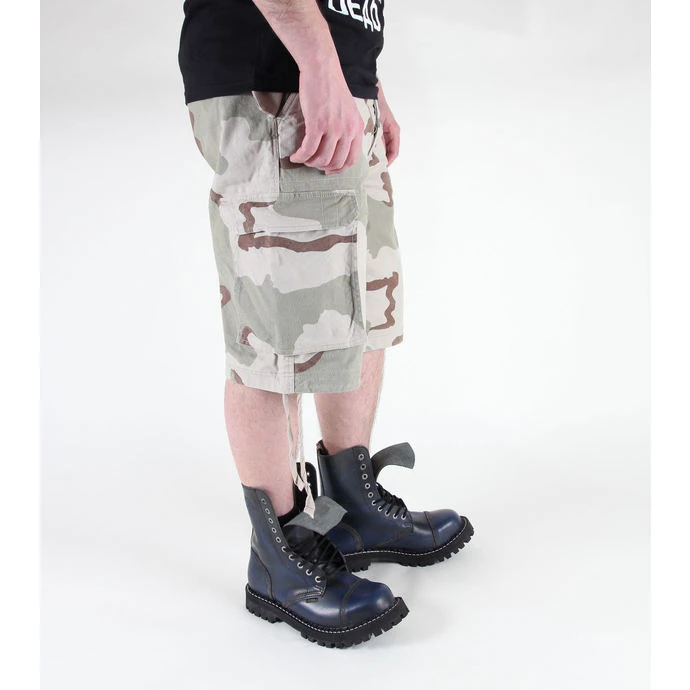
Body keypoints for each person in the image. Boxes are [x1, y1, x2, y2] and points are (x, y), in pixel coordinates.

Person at [178, 0, 474, 647]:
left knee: (361, 306)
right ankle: (280, 559)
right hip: (275, 79)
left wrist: (365, 83)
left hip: (334, 80)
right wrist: (316, 61)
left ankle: (352, 507)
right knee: (275, 337)